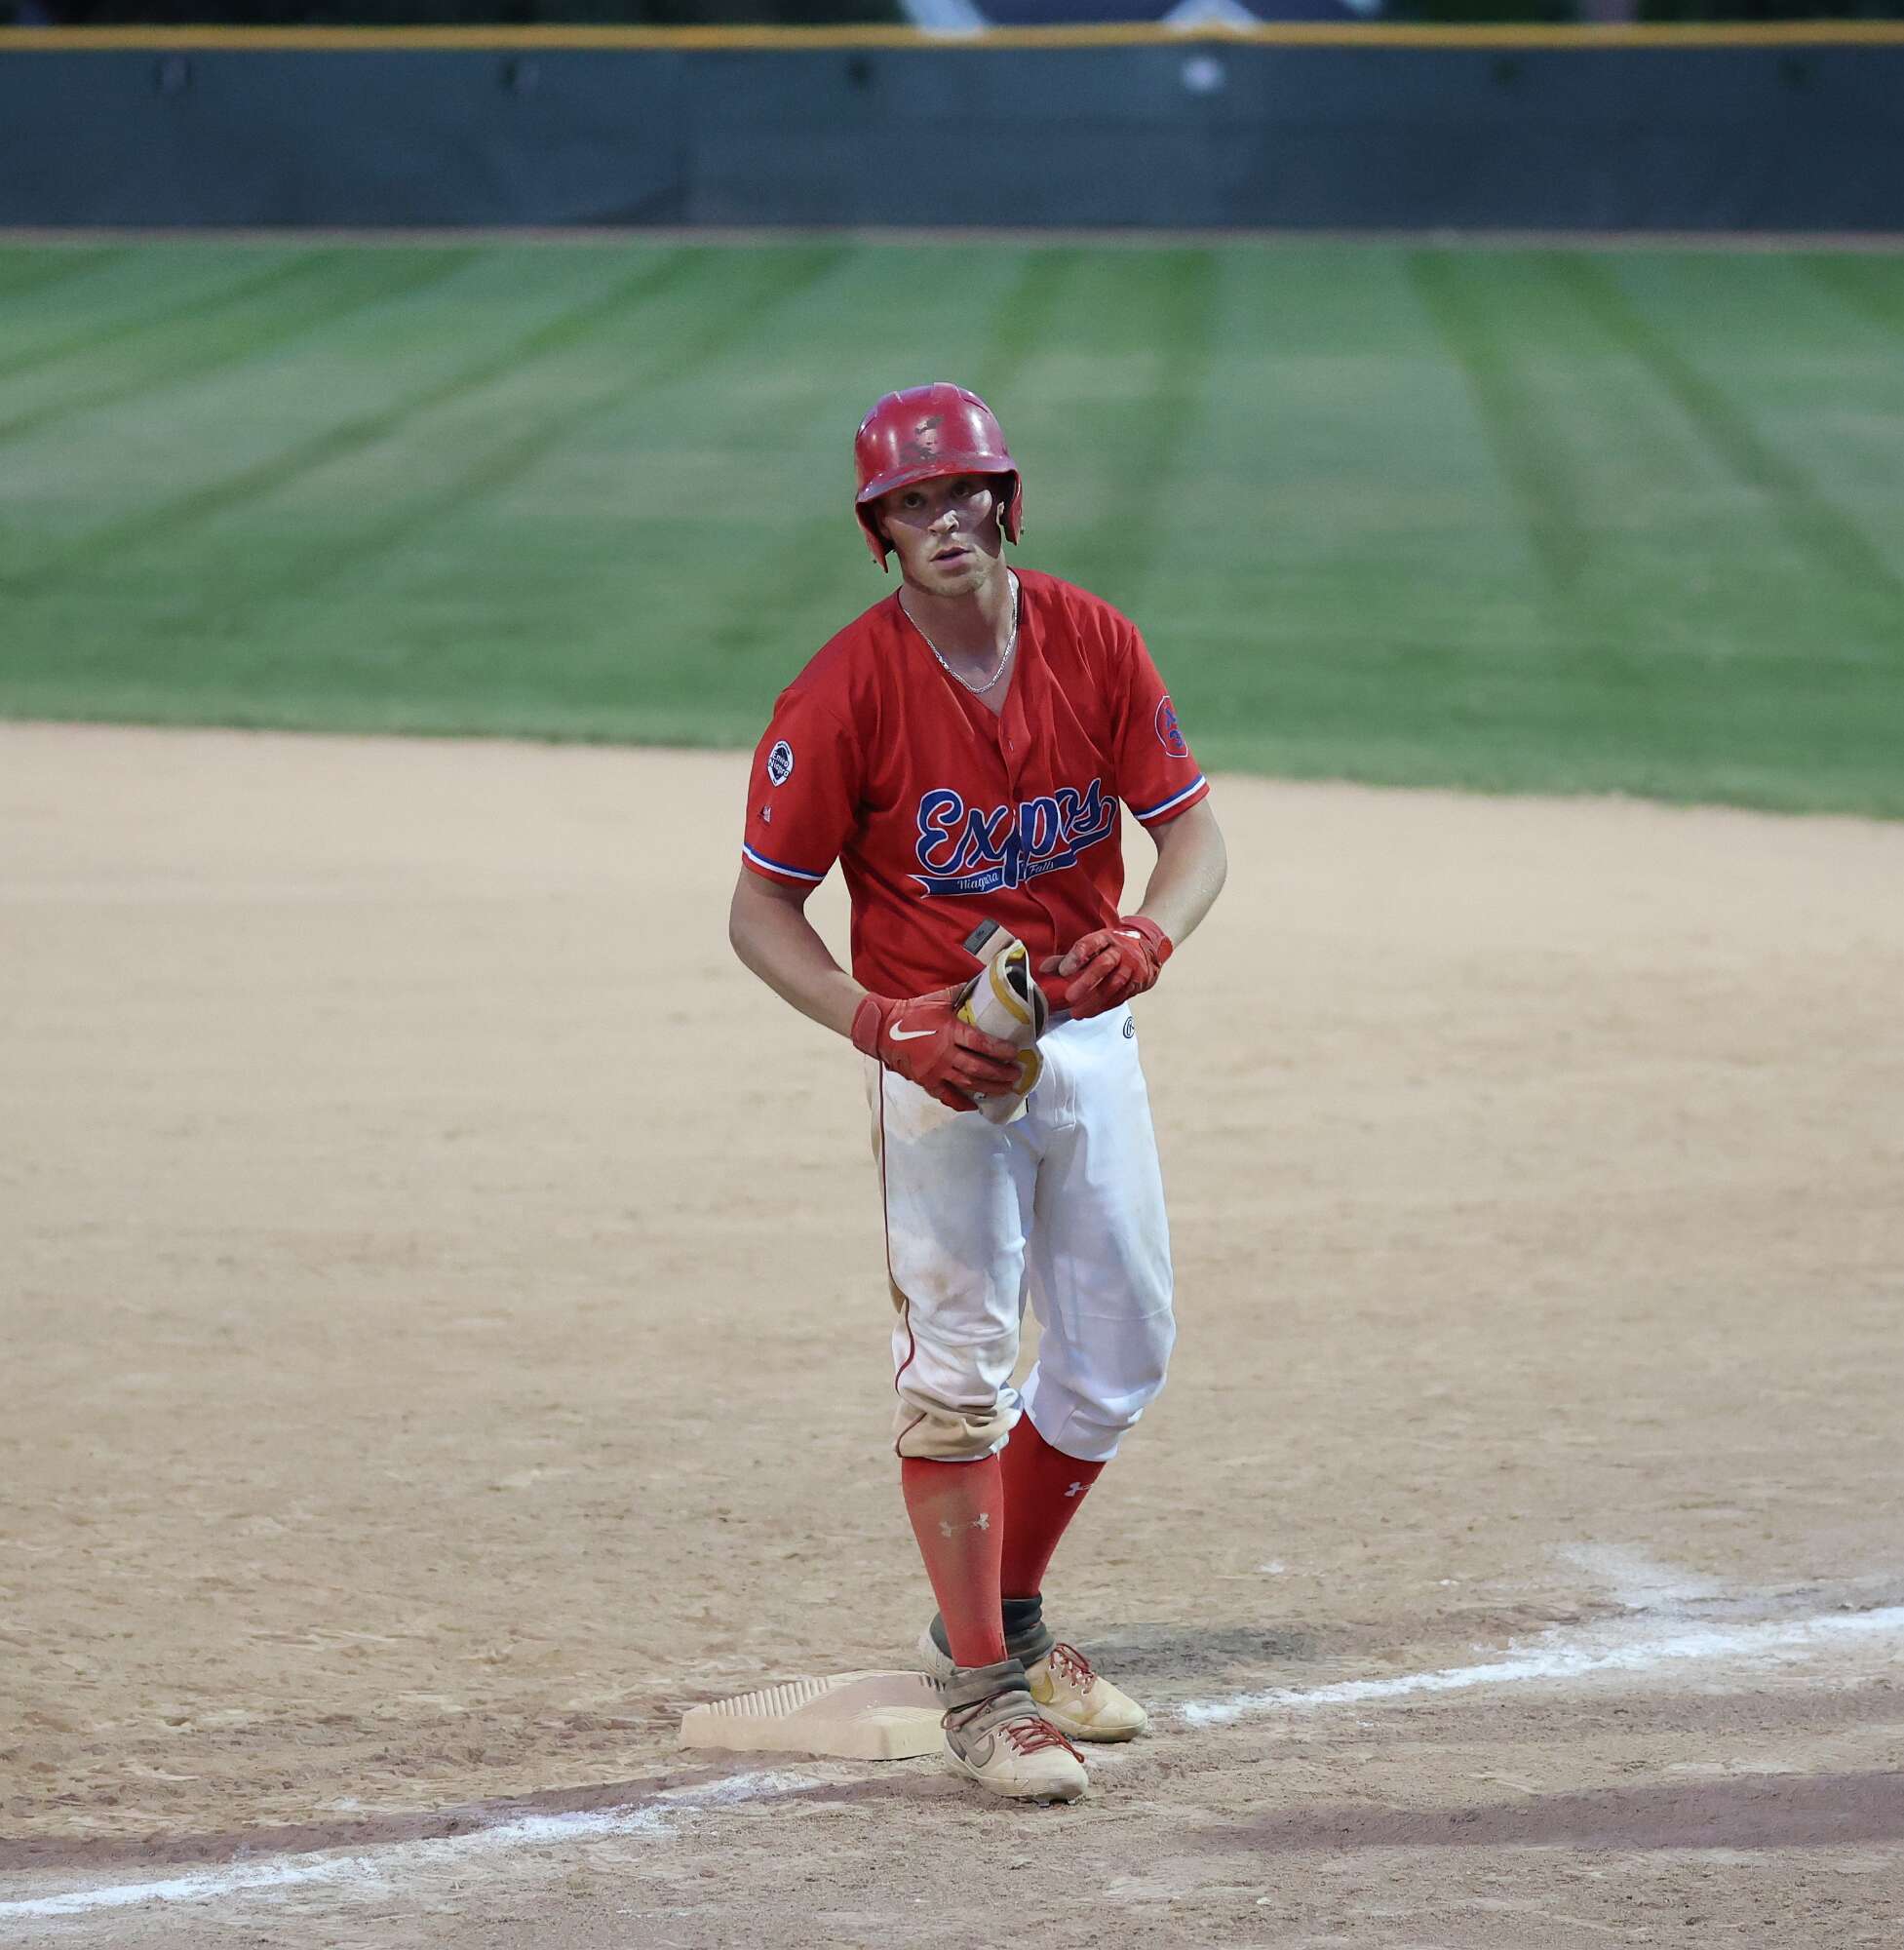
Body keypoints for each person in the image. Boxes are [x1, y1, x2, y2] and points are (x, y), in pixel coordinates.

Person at [728, 383, 1227, 1803]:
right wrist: (881, 1028)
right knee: (958, 1377)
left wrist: (1150, 934)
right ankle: (984, 1694)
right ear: (878, 531)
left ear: (1005, 501)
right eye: (911, 502)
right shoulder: (843, 691)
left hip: (1089, 1040)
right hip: (943, 1063)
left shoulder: (1093, 639)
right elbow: (759, 915)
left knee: (1119, 1353)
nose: (943, 520)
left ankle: (1002, 1618)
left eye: (962, 492)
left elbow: (1194, 837)